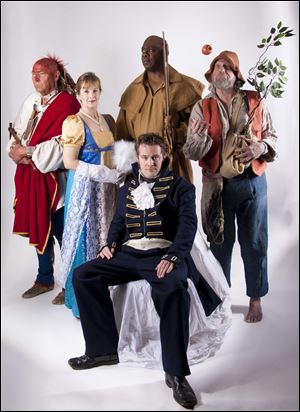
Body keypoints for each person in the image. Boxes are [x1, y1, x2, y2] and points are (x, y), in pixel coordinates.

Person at [68, 133, 227, 410]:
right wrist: (111, 244)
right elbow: (119, 221)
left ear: (163, 156)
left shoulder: (181, 187)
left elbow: (188, 226)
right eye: (145, 157)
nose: (150, 162)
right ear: (138, 158)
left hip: (162, 254)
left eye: (155, 157)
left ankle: (176, 374)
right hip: (129, 254)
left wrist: (175, 256)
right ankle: (102, 350)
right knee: (84, 275)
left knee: (175, 292)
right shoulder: (128, 185)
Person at [183, 50, 277, 323]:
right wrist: (200, 138)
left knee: (255, 243)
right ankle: (222, 299)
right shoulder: (203, 107)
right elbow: (191, 151)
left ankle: (255, 298)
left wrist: (261, 146)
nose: (220, 69)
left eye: (227, 66)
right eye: (216, 65)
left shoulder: (254, 100)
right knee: (219, 245)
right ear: (211, 74)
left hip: (253, 183)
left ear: (237, 74)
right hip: (217, 186)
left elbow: (271, 134)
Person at [56, 72, 132, 315]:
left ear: (100, 93)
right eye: (86, 91)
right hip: (85, 189)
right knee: (85, 239)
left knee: (106, 236)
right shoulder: (74, 122)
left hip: (107, 188)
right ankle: (82, 304)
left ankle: (104, 296)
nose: (91, 95)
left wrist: (118, 170)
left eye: (95, 90)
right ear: (78, 95)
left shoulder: (106, 119)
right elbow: (69, 161)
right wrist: (100, 172)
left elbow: (110, 153)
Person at [7, 55, 80, 301]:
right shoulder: (31, 101)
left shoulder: (68, 103)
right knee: (39, 225)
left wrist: (28, 152)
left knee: (62, 232)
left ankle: (70, 284)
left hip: (54, 181)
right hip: (29, 177)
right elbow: (15, 133)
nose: (36, 77)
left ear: (56, 75)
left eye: (42, 73)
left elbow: (64, 144)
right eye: (33, 73)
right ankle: (45, 278)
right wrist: (15, 152)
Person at [115, 35, 204, 184]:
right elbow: (122, 136)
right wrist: (126, 168)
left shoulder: (185, 87)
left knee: (177, 205)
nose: (145, 54)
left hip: (174, 167)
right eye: (143, 50)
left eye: (151, 50)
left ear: (165, 54)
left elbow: (197, 126)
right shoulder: (132, 91)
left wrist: (176, 133)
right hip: (142, 171)